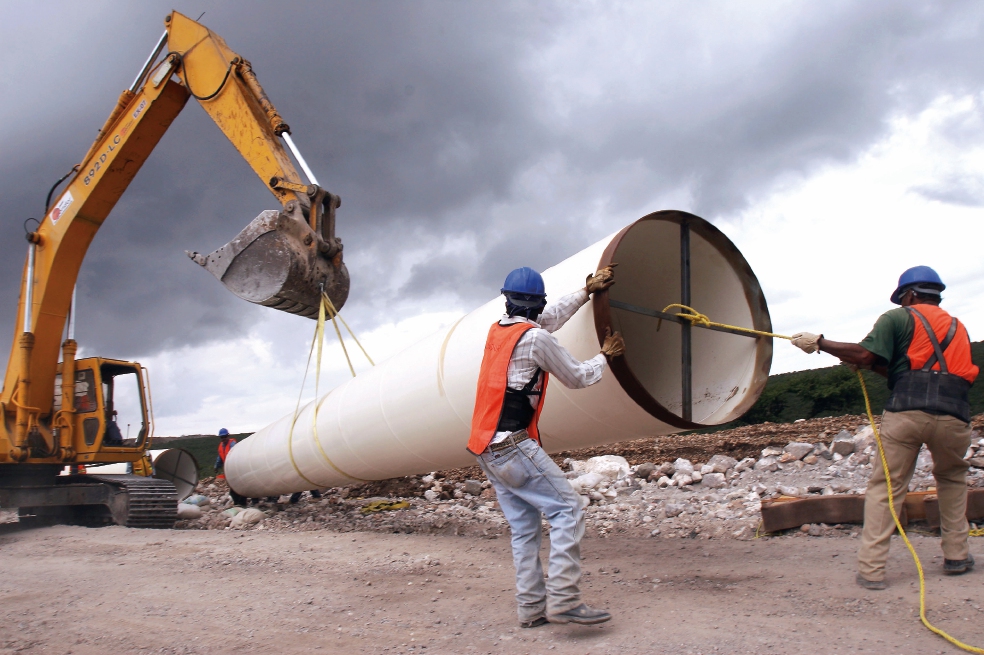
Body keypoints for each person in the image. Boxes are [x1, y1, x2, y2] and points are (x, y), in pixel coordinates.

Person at [791, 266, 978, 589]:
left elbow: (866, 354)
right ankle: (957, 556)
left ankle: (873, 570)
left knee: (887, 489)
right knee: (952, 481)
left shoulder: (898, 317)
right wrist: (869, 364)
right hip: (955, 414)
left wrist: (820, 342)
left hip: (907, 413)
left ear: (909, 294)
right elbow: (909, 371)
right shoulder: (957, 327)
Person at [469, 265, 625, 628]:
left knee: (524, 530)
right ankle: (565, 600)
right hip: (512, 446)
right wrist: (606, 356)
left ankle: (531, 610)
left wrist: (586, 292)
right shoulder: (537, 339)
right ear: (538, 303)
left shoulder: (499, 332)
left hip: (485, 447)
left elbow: (547, 320)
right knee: (568, 511)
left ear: (506, 300)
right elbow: (577, 376)